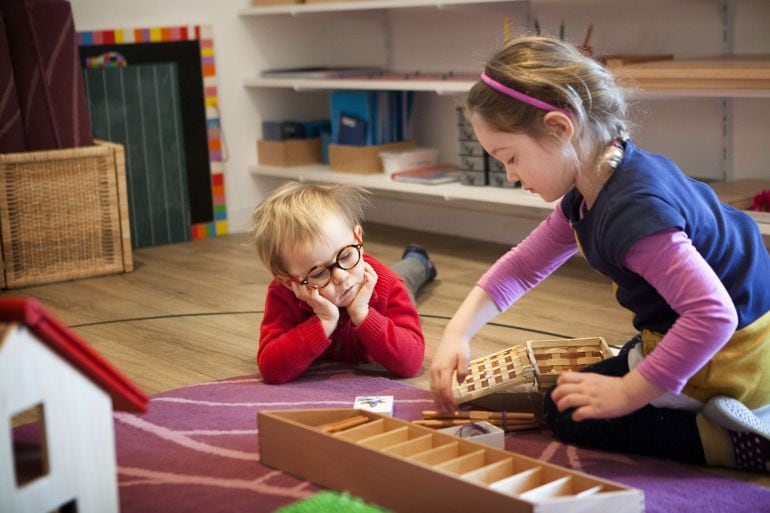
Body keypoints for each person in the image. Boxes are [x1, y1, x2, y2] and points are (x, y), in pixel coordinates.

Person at [430, 35, 770, 472]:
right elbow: (523, 265)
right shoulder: (599, 179)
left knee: (565, 411)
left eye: (510, 157)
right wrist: (458, 332)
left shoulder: (633, 213)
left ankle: (734, 442)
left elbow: (712, 316)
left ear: (559, 128)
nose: (511, 176)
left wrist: (628, 393)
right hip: (728, 332)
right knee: (600, 374)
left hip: (730, 354)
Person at [251, 181, 436, 384]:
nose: (341, 276)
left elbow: (411, 362)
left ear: (357, 238)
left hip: (377, 281)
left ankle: (418, 260)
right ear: (290, 282)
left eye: (346, 254)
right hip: (359, 280)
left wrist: (363, 315)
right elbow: (271, 369)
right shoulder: (284, 294)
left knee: (406, 277)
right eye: (319, 273)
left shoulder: (388, 284)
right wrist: (323, 321)